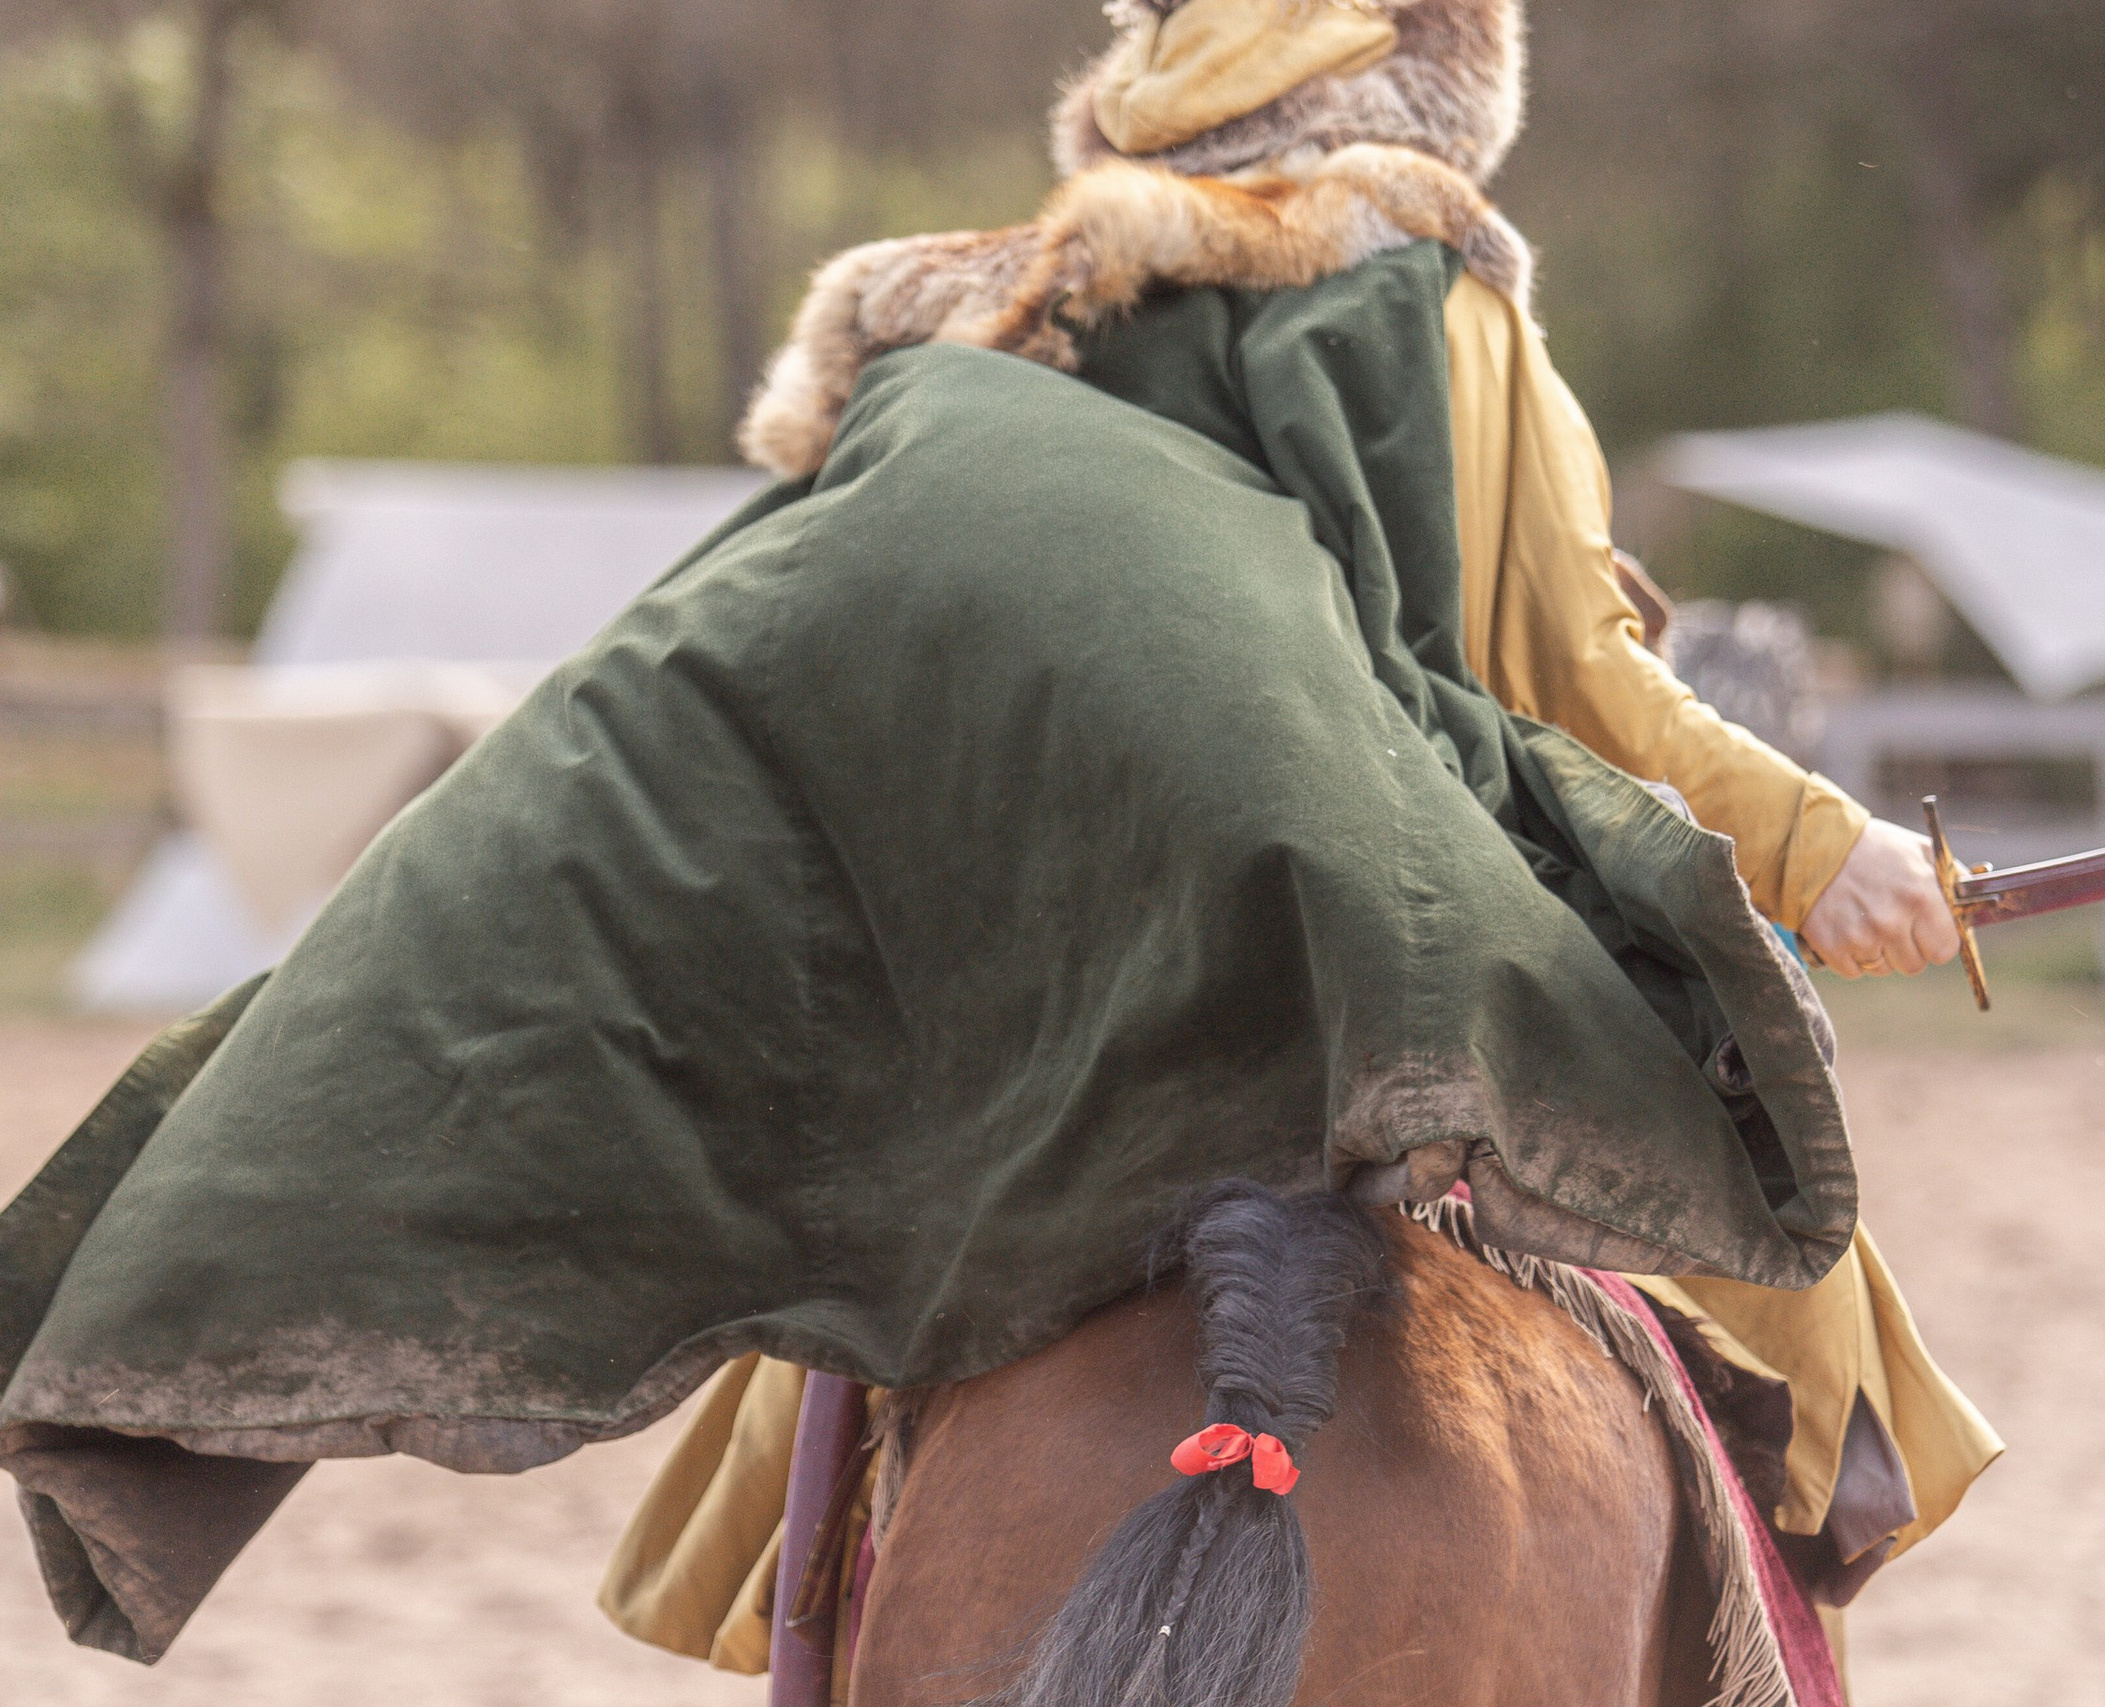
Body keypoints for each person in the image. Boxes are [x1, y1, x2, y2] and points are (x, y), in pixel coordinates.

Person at [595, 0, 1996, 1688]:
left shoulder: (1012, 315)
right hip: (1401, 955)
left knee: (847, 1325)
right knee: (1785, 1257)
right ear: (1440, 75)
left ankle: (800, 1588)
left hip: (1087, 993)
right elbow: (1572, 671)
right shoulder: (1430, 291)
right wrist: (1820, 850)